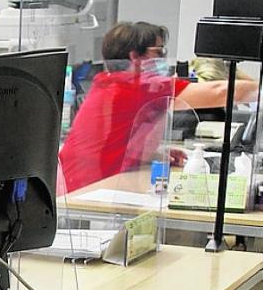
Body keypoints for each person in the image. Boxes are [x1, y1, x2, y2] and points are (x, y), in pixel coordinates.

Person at [59, 21, 259, 193]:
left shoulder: (108, 82)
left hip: (74, 184)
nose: (163, 58)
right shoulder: (139, 85)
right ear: (134, 57)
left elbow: (113, 141)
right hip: (91, 191)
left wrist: (151, 153)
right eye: (159, 52)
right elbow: (220, 92)